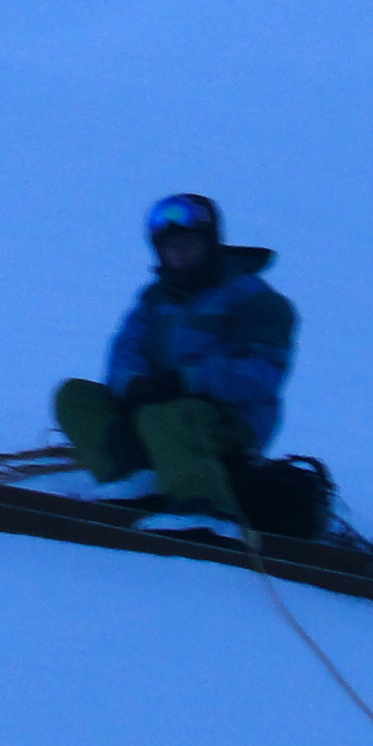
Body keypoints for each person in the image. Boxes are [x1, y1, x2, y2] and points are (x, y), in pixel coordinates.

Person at [52, 193, 297, 539]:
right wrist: (133, 383)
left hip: (230, 422)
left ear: (209, 245)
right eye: (171, 246)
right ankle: (135, 480)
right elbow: (125, 351)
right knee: (75, 396)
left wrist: (186, 381)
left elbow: (261, 372)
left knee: (165, 415)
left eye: (188, 244)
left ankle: (206, 508)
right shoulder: (155, 299)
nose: (179, 253)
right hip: (160, 412)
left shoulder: (256, 301)